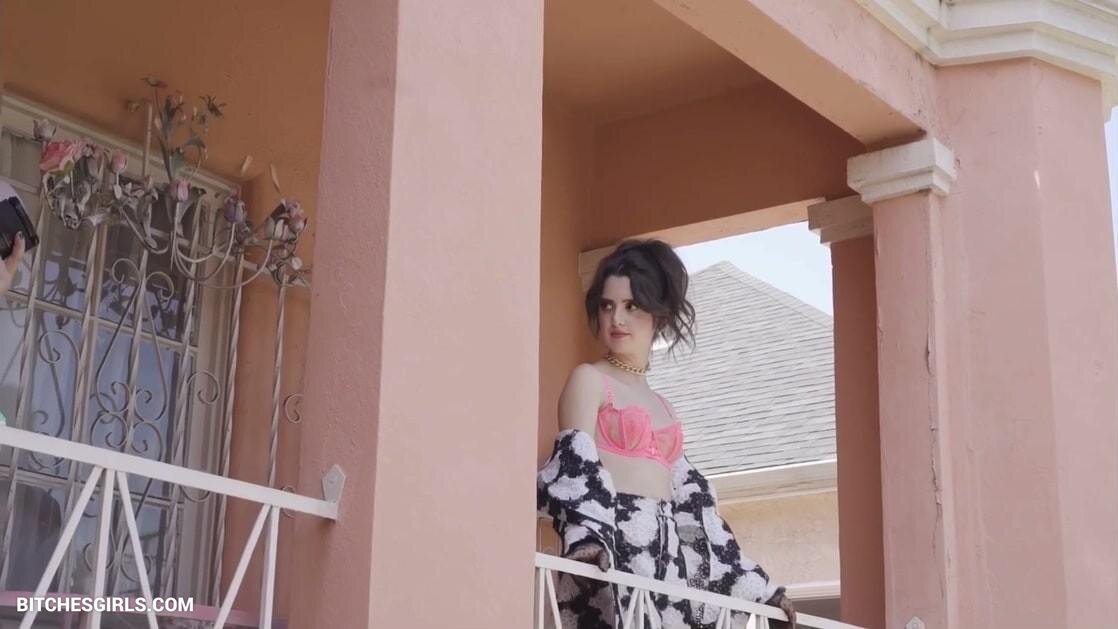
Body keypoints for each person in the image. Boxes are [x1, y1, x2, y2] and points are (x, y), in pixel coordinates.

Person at [537, 238, 797, 629]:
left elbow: (696, 508)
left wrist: (760, 590)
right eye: (607, 306)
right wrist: (587, 541)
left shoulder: (663, 406)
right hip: (613, 552)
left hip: (668, 565)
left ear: (658, 314)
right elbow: (575, 468)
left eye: (631, 306)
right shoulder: (588, 380)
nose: (616, 319)